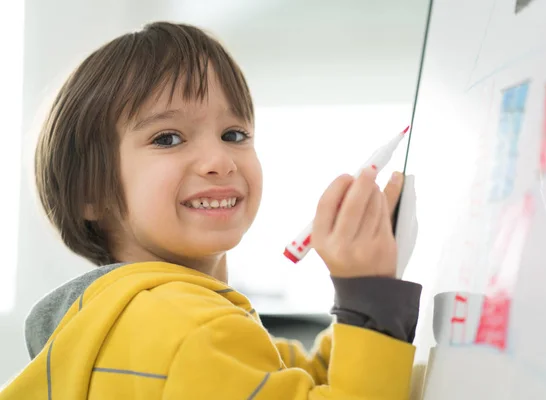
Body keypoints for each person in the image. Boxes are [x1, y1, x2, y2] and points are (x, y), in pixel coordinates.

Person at [0, 22, 422, 399]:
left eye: (234, 133)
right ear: (89, 191)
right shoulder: (190, 330)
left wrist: (367, 296)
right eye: (168, 138)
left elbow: (291, 377)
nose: (220, 159)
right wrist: (369, 295)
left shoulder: (130, 319)